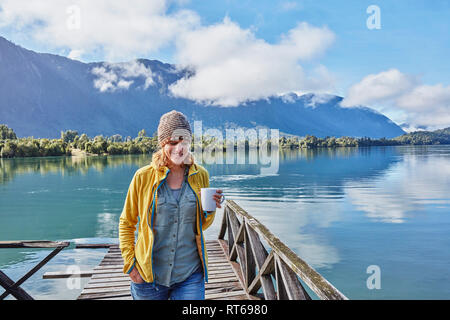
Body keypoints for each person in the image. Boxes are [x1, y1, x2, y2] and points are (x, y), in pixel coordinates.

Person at [119, 110, 223, 300]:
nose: (179, 149)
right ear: (162, 144)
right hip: (148, 277)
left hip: (189, 275)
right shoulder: (142, 177)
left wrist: (209, 210)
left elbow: (201, 225)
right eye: (173, 143)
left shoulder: (201, 176)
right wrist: (131, 267)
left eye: (184, 142)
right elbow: (126, 223)